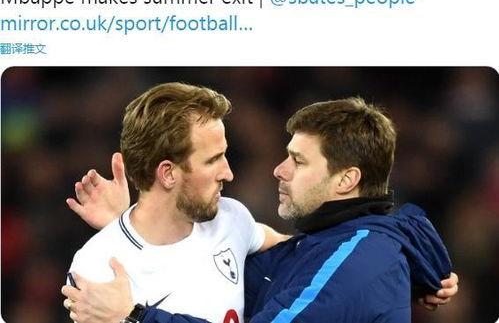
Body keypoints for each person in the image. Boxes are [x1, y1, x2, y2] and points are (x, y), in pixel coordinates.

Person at [62, 95, 459, 323]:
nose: (279, 170)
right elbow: (205, 262)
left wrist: (134, 316)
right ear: (167, 173)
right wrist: (127, 227)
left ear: (346, 180)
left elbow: (338, 281)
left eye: (298, 161)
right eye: (214, 158)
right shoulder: (320, 246)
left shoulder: (354, 262)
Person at [65, 82, 287, 323]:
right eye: (213, 160)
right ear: (168, 173)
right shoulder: (97, 265)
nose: (228, 173)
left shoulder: (233, 218)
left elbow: (298, 250)